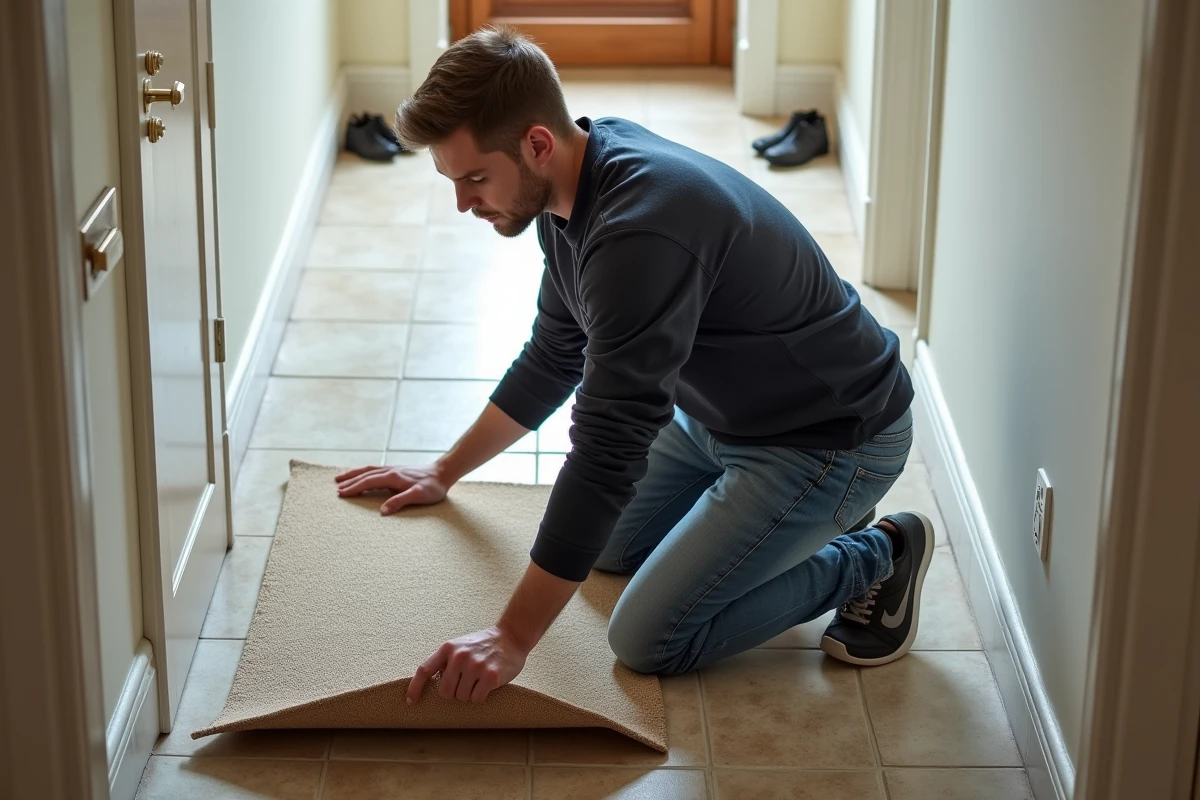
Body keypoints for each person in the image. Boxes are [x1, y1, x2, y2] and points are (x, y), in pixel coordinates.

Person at [335, 26, 934, 708]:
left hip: (829, 439)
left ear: (536, 143)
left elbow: (607, 451)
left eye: (474, 178)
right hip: (721, 416)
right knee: (606, 550)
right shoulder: (569, 185)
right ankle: (807, 524)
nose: (463, 203)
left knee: (649, 638)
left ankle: (878, 553)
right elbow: (554, 355)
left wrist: (512, 636)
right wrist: (443, 471)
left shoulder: (640, 231)